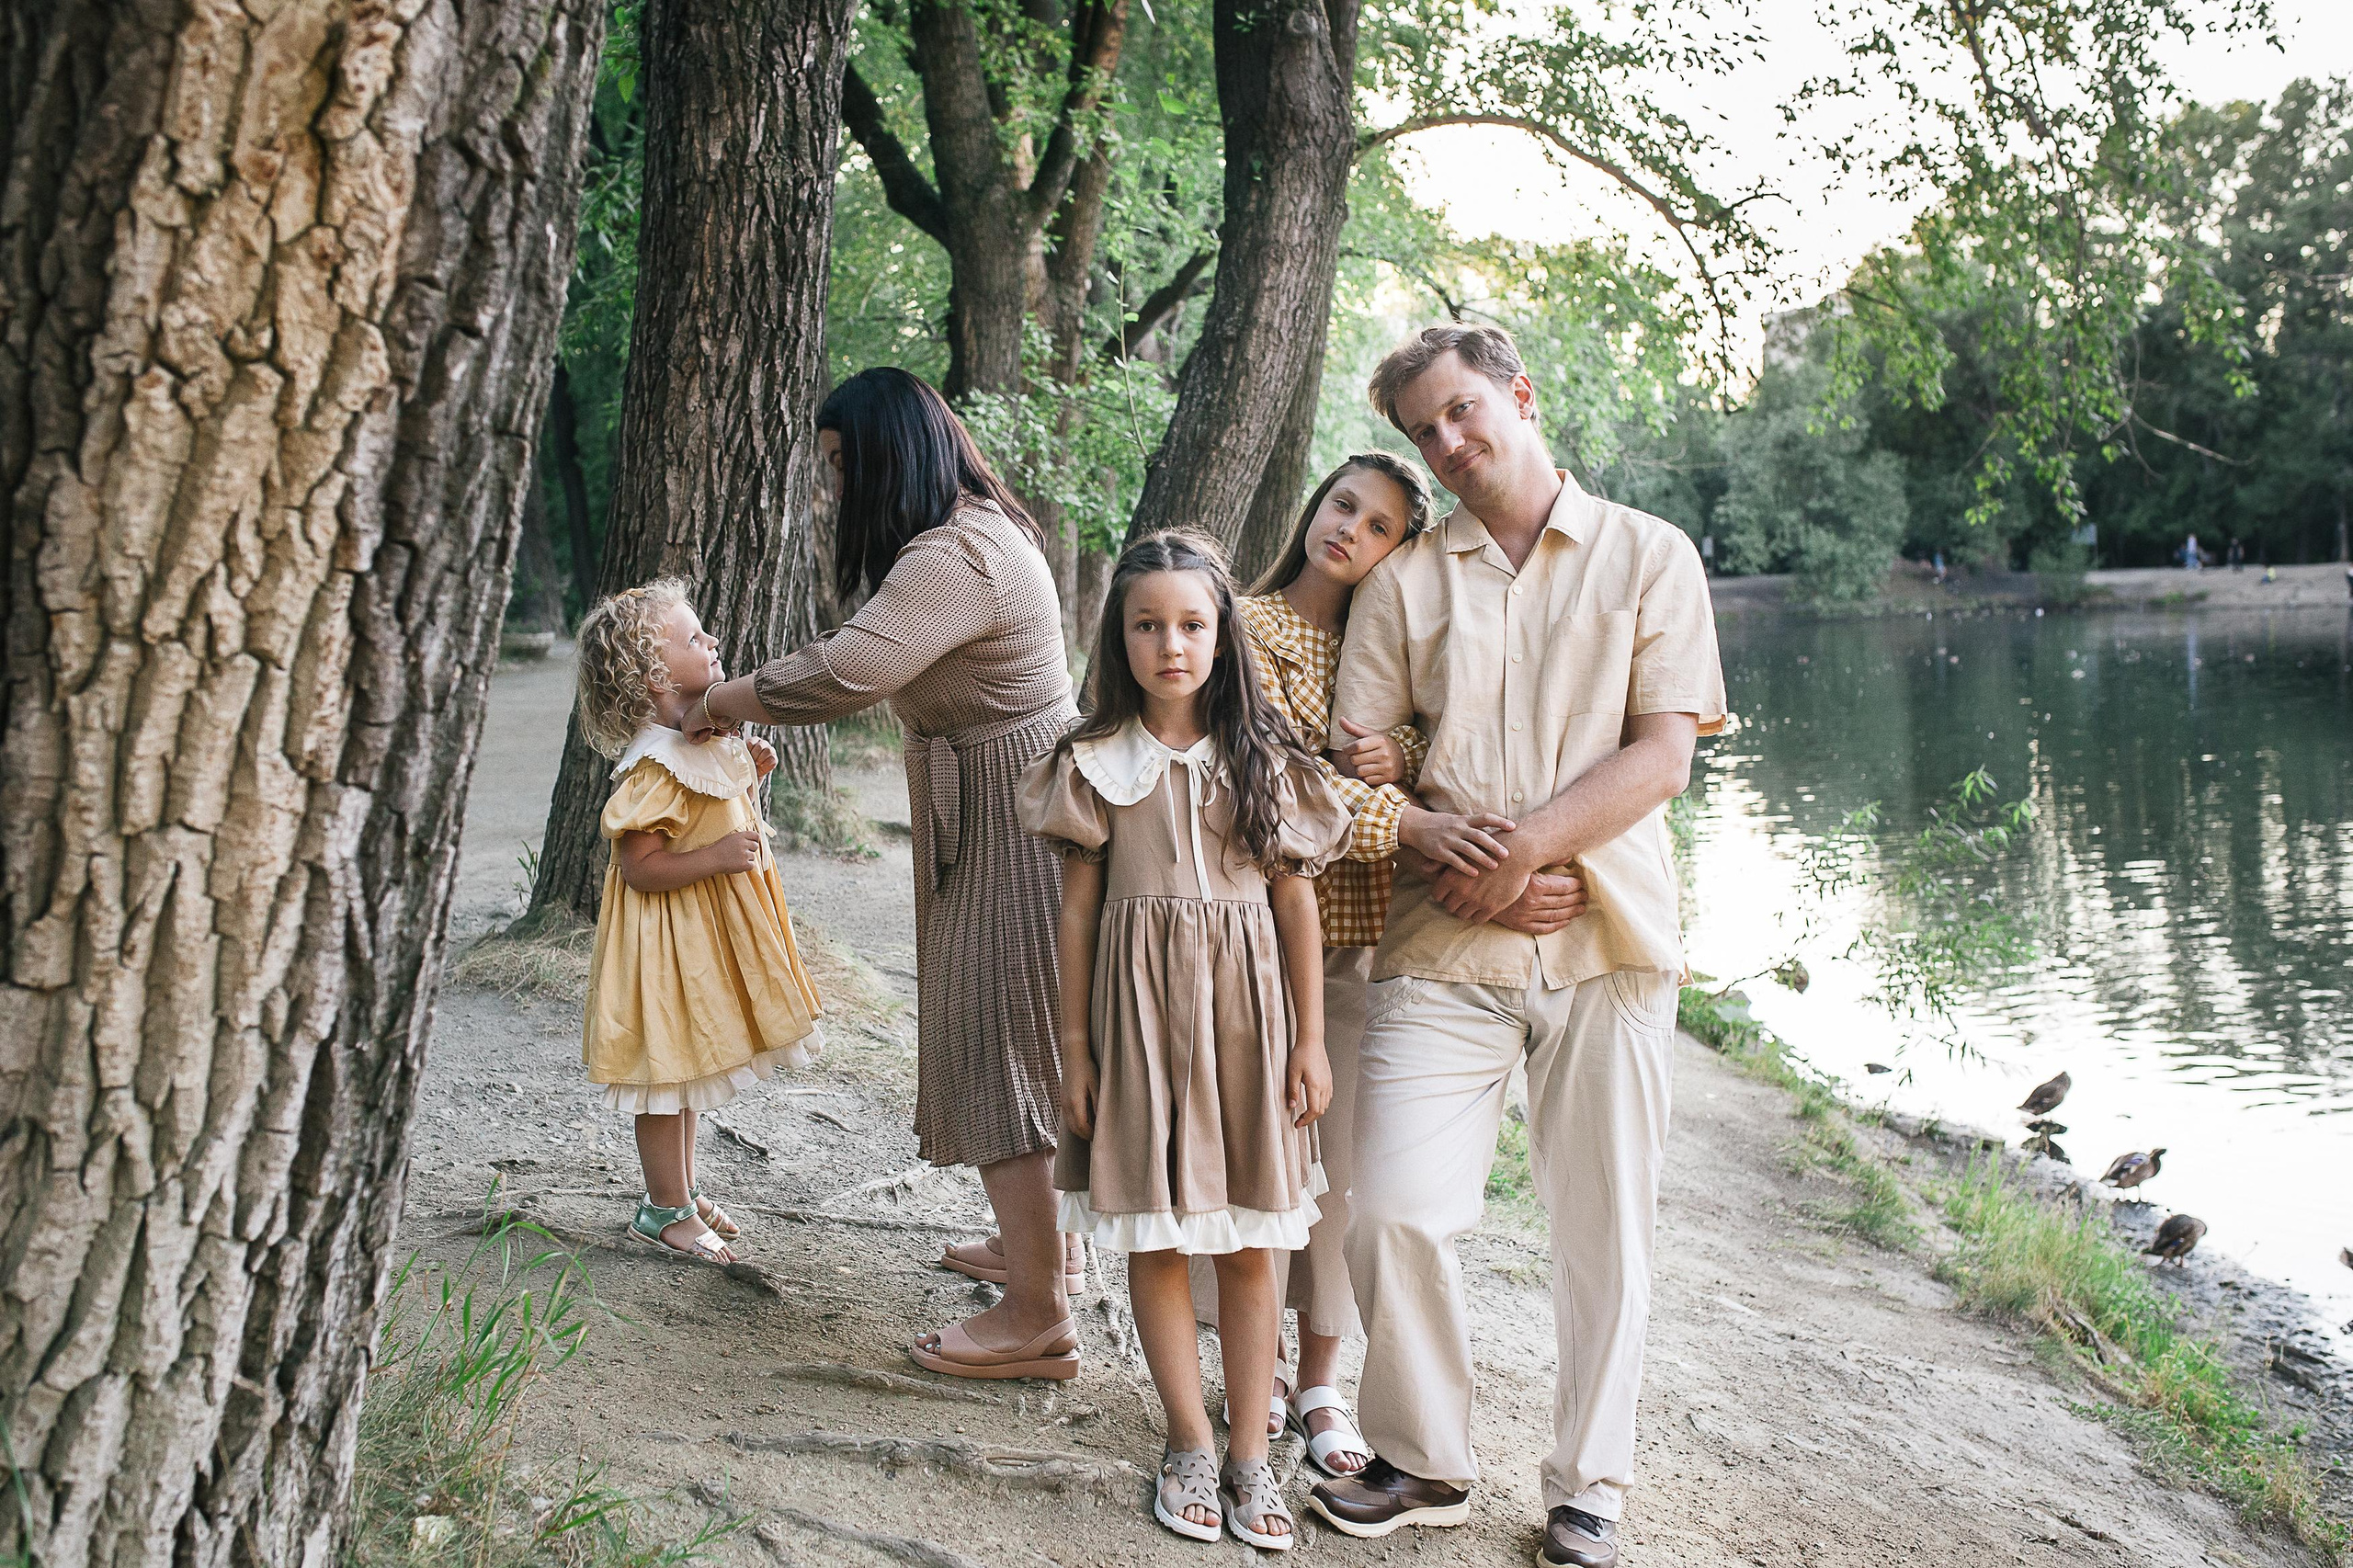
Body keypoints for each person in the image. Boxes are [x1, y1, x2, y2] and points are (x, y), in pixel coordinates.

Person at [1307, 324, 1727, 1568]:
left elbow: (1662, 754)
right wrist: (1460, 856)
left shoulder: (1651, 555)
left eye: (1460, 411)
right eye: (1423, 430)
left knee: (1603, 1231)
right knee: (1390, 1206)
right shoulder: (1403, 585)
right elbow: (1359, 769)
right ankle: (1426, 1455)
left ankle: (1589, 1485)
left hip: (1606, 936)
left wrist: (1528, 853)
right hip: (1442, 940)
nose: (1446, 443)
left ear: (1519, 394)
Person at [1190, 453, 1589, 1479]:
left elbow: (1448, 746)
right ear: (1314, 508)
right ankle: (1256, 1364)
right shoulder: (1242, 626)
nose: (1351, 534)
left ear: (1399, 550)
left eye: (1378, 528)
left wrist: (1402, 753)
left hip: (1363, 941)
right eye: (1342, 508)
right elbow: (1270, 783)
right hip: (1251, 934)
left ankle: (1322, 1375)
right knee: (1253, 1158)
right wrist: (1406, 813)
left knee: (1344, 1174)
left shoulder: (1402, 640)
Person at [690, 367, 1082, 1374]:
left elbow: (851, 668)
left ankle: (1036, 1311)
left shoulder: (958, 554)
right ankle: (1039, 1246)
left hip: (1012, 812)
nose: (832, 485)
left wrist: (723, 699)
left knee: (1000, 1045)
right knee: (1013, 1035)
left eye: (837, 462)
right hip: (1002, 797)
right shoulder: (976, 533)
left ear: (884, 452)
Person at [1018, 531, 1351, 1549]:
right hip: (1139, 1021)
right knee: (1157, 1233)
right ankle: (1188, 1441)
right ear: (1119, 639)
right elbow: (1076, 915)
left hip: (1252, 1023)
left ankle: (1253, 1450)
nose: (1172, 643)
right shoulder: (1093, 765)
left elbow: (1296, 908)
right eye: (1147, 625)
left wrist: (1311, 1039)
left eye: (1193, 623)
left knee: (1256, 1240)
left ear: (1222, 634)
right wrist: (1075, 1049)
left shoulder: (1264, 758)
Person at [574, 579, 824, 1264]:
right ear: (654, 677)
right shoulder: (651, 767)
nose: (710, 641)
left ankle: (678, 1189)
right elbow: (641, 868)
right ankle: (663, 1209)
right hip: (661, 944)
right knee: (664, 1075)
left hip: (694, 938)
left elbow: (712, 801)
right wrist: (716, 856)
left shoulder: (696, 739)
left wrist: (751, 776)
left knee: (684, 1071)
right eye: (692, 638)